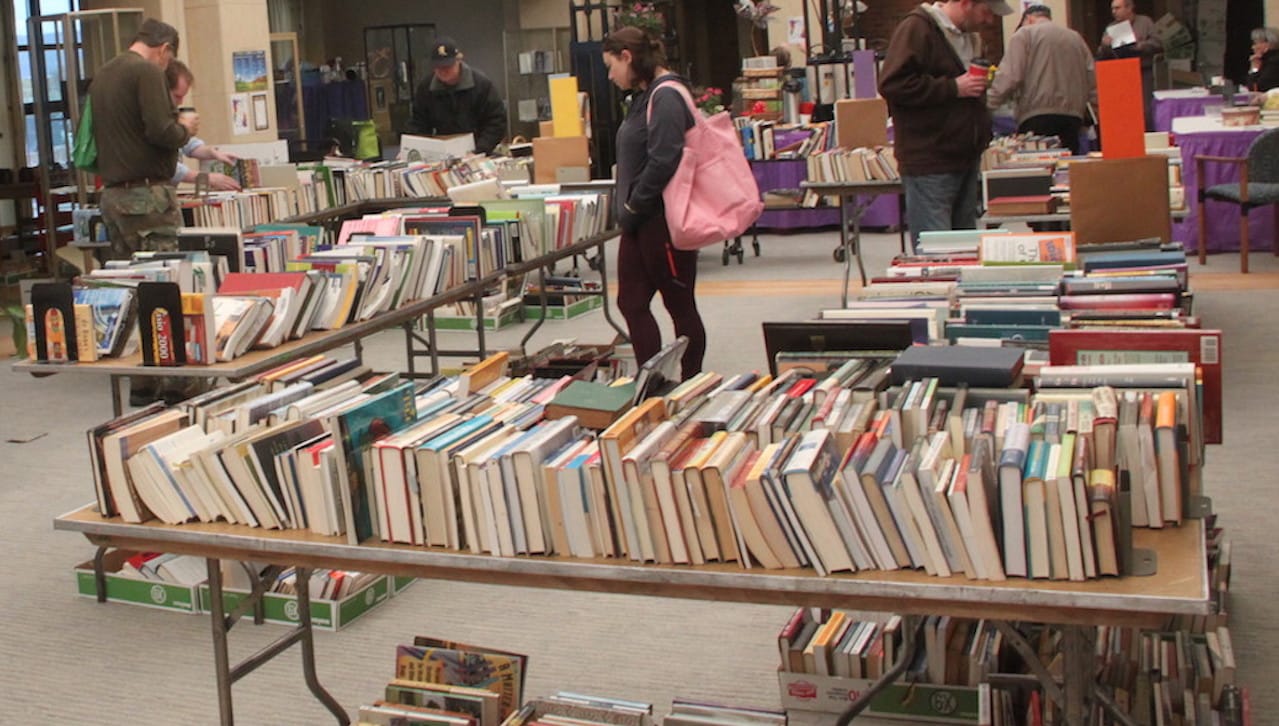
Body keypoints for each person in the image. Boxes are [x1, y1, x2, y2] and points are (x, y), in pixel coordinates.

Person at [602, 26, 706, 381]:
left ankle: (692, 381)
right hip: (640, 221)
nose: (610, 74)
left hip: (661, 219)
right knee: (630, 302)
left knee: (679, 304)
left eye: (611, 64)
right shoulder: (644, 96)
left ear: (627, 57)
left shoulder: (666, 96)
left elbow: (665, 158)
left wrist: (634, 206)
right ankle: (652, 381)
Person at [879, 0, 1012, 249]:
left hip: (963, 156)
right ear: (966, 4)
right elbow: (893, 84)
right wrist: (953, 87)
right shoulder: (918, 29)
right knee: (937, 250)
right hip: (931, 159)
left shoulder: (968, 38)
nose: (989, 20)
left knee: (962, 249)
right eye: (986, 11)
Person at [90, 17, 192, 260]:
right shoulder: (147, 71)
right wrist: (185, 129)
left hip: (113, 196)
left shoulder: (104, 74)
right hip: (147, 199)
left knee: (127, 278)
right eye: (169, 61)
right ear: (164, 49)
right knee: (162, 275)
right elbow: (160, 130)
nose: (166, 67)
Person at [987, 5, 1096, 155]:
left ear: (1029, 19)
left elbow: (1010, 76)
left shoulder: (1024, 34)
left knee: (1038, 171)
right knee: (1067, 169)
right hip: (1072, 117)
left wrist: (988, 104)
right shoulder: (1076, 38)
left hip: (1036, 115)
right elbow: (1092, 79)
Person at [406, 37, 507, 154]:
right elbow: (418, 123)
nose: (443, 71)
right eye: (439, 67)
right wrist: (414, 149)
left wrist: (480, 150)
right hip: (442, 152)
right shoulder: (426, 88)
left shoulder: (481, 84)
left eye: (447, 66)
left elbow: (496, 121)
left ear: (458, 60)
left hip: (478, 150)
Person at [165, 60, 241, 191]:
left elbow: (188, 145)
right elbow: (168, 166)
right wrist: (207, 178)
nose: (180, 102)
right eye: (177, 96)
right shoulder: (154, 120)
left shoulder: (170, 115)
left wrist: (212, 153)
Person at [1096, 0, 1162, 129]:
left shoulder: (1144, 22)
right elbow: (1100, 55)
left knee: (1145, 109)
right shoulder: (1111, 27)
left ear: (1129, 8)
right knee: (1125, 110)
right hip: (1121, 73)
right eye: (1113, 9)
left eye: (1117, 8)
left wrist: (1141, 45)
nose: (1114, 12)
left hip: (1143, 70)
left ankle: (1148, 133)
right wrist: (1105, 45)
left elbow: (1159, 43)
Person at [1247, 27, 1279, 93]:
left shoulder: (1273, 62)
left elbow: (1256, 87)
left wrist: (1255, 68)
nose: (1253, 47)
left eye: (1255, 43)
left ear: (1268, 44)